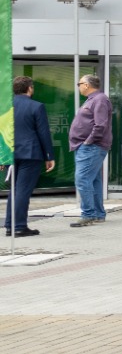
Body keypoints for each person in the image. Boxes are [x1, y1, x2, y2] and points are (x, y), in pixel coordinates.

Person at [7, 77, 54, 238]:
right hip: (30, 153)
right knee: (23, 191)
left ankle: (10, 225)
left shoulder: (5, 107)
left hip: (10, 154)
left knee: (14, 190)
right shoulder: (37, 106)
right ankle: (19, 226)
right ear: (30, 88)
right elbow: (43, 133)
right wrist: (49, 156)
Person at [68, 73, 112, 228]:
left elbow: (100, 125)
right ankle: (98, 214)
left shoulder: (99, 99)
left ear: (86, 85)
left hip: (91, 147)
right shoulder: (93, 100)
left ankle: (88, 214)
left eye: (79, 84)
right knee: (93, 180)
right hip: (88, 147)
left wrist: (88, 142)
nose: (79, 87)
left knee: (82, 179)